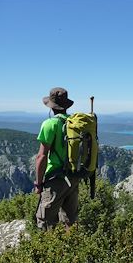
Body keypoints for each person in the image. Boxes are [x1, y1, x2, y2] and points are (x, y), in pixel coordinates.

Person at [35, 87, 80, 230]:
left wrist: (39, 184)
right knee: (70, 221)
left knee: (45, 222)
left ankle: (48, 251)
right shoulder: (74, 123)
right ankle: (72, 248)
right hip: (73, 178)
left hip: (55, 179)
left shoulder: (50, 124)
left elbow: (41, 157)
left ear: (51, 107)